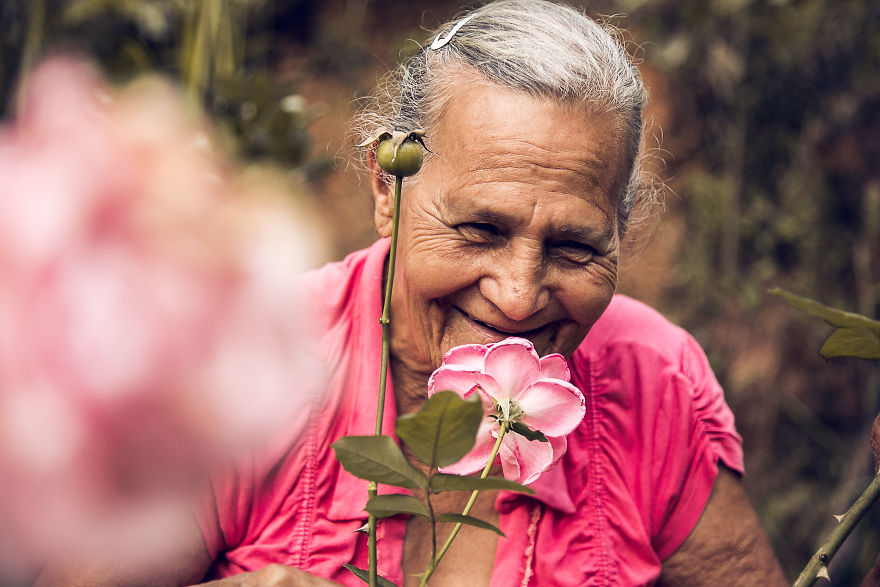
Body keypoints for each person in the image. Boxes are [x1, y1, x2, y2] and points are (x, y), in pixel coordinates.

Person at [35, 0, 789, 585]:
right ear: (387, 189)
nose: (520, 296)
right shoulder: (247, 361)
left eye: (575, 246)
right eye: (481, 229)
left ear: (622, 233)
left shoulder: (649, 378)